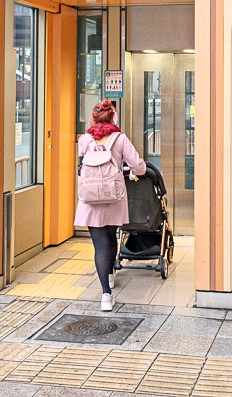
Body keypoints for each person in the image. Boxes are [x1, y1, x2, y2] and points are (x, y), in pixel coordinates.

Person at [74, 99, 146, 311]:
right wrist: (137, 172)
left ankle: (106, 294)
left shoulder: (85, 139)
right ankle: (111, 274)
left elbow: (84, 159)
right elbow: (138, 166)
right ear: (113, 117)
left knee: (99, 245)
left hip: (90, 199)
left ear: (94, 117)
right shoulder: (120, 138)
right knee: (111, 236)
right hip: (113, 196)